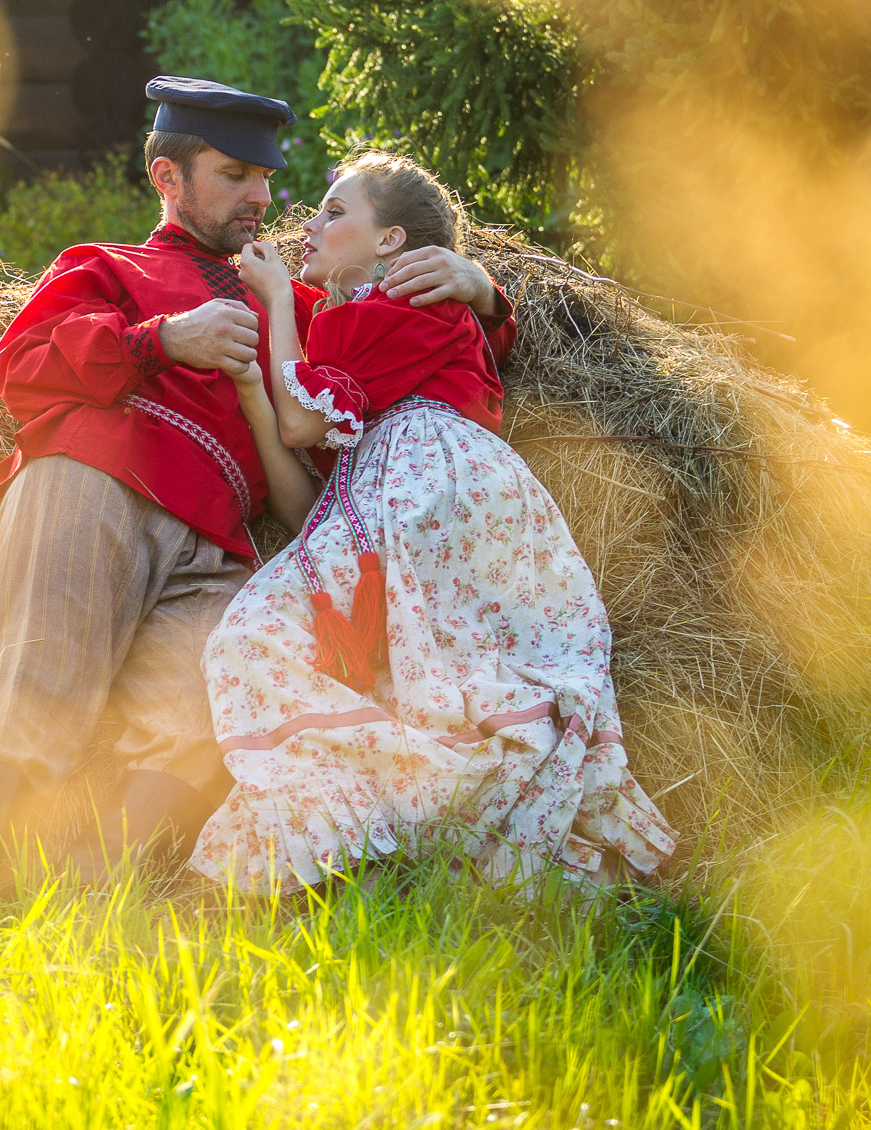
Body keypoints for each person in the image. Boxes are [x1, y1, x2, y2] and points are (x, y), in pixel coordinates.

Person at [0, 78, 518, 886]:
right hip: (93, 476)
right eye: (234, 175)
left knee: (200, 717)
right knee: (36, 672)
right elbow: (24, 366)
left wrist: (484, 291)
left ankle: (88, 895)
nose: (260, 197)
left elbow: (433, 345)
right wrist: (164, 340)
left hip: (218, 542)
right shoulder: (106, 264)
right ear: (168, 178)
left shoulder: (298, 304)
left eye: (265, 177)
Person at [189, 149, 677, 891]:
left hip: (431, 488)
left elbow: (300, 420)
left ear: (390, 241)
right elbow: (308, 474)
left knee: (292, 643)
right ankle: (416, 808)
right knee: (425, 679)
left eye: (334, 211)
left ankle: (401, 808)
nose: (308, 225)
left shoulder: (382, 309)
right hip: (447, 493)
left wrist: (278, 300)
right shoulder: (392, 314)